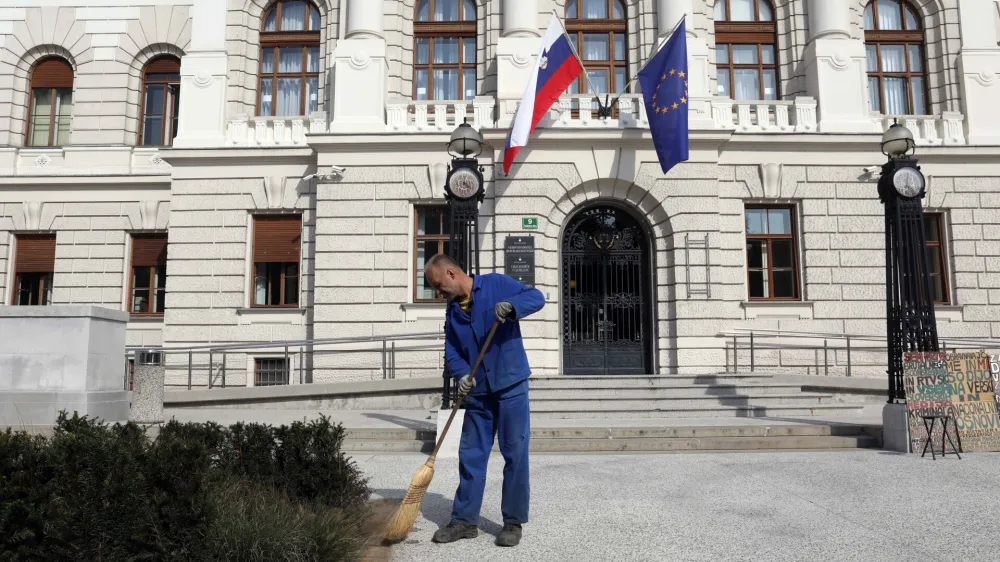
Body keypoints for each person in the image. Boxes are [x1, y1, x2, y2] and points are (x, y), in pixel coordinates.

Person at [423, 253, 545, 548]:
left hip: (510, 385)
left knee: (515, 453)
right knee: (471, 455)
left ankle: (513, 522)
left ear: (451, 274)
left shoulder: (496, 284)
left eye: (438, 286)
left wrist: (513, 307)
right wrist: (462, 374)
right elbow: (452, 351)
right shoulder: (453, 311)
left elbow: (536, 297)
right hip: (478, 393)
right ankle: (464, 521)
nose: (438, 293)